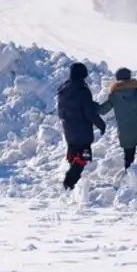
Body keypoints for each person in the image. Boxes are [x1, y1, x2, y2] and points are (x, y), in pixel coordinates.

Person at [57, 62, 106, 191]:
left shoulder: (63, 89)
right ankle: (70, 182)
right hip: (82, 130)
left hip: (69, 128)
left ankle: (72, 182)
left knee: (74, 153)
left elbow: (63, 110)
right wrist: (101, 124)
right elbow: (89, 113)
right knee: (83, 156)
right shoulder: (83, 91)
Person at [98, 67, 137, 169]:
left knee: (129, 155)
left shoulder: (114, 95)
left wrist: (91, 106)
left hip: (125, 132)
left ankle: (129, 171)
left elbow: (102, 110)